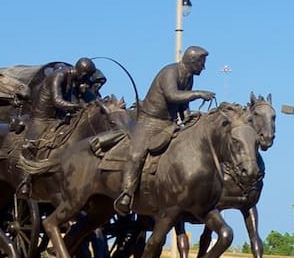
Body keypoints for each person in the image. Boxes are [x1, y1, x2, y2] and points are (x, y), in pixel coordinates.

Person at [117, 46, 215, 213]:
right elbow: (173, 95)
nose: (203, 68)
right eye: (201, 64)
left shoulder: (189, 77)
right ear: (192, 62)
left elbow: (183, 103)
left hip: (169, 123)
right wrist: (198, 94)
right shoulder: (170, 72)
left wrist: (188, 119)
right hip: (149, 122)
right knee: (136, 154)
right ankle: (126, 194)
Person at [22, 58, 100, 153]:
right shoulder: (58, 76)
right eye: (87, 78)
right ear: (83, 75)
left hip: (59, 118)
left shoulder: (72, 79)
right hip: (42, 119)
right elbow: (58, 101)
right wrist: (79, 106)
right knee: (32, 147)